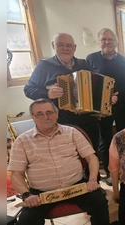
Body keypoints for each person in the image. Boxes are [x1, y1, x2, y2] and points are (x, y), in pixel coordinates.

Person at [7, 99, 109, 225]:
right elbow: (16, 174)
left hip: (76, 186)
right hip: (41, 193)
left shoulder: (71, 132)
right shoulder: (22, 141)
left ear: (56, 114)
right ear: (33, 117)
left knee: (100, 203)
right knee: (26, 220)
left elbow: (91, 157)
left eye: (49, 112)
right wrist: (27, 195)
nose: (46, 117)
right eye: (39, 114)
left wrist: (92, 179)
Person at [23, 32, 116, 161]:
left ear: (74, 48)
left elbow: (94, 89)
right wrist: (48, 94)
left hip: (88, 121)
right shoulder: (44, 66)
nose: (65, 49)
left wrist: (107, 98)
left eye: (69, 45)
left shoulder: (83, 64)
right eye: (60, 45)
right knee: (68, 158)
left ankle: (94, 179)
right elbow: (28, 90)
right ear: (53, 45)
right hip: (62, 122)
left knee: (91, 155)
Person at [86, 28, 125, 186]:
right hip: (101, 111)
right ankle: (109, 171)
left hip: (122, 108)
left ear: (116, 42)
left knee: (124, 139)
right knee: (105, 141)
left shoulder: (124, 61)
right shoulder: (91, 59)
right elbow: (86, 85)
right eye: (104, 39)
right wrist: (105, 98)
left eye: (110, 39)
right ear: (99, 42)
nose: (107, 42)